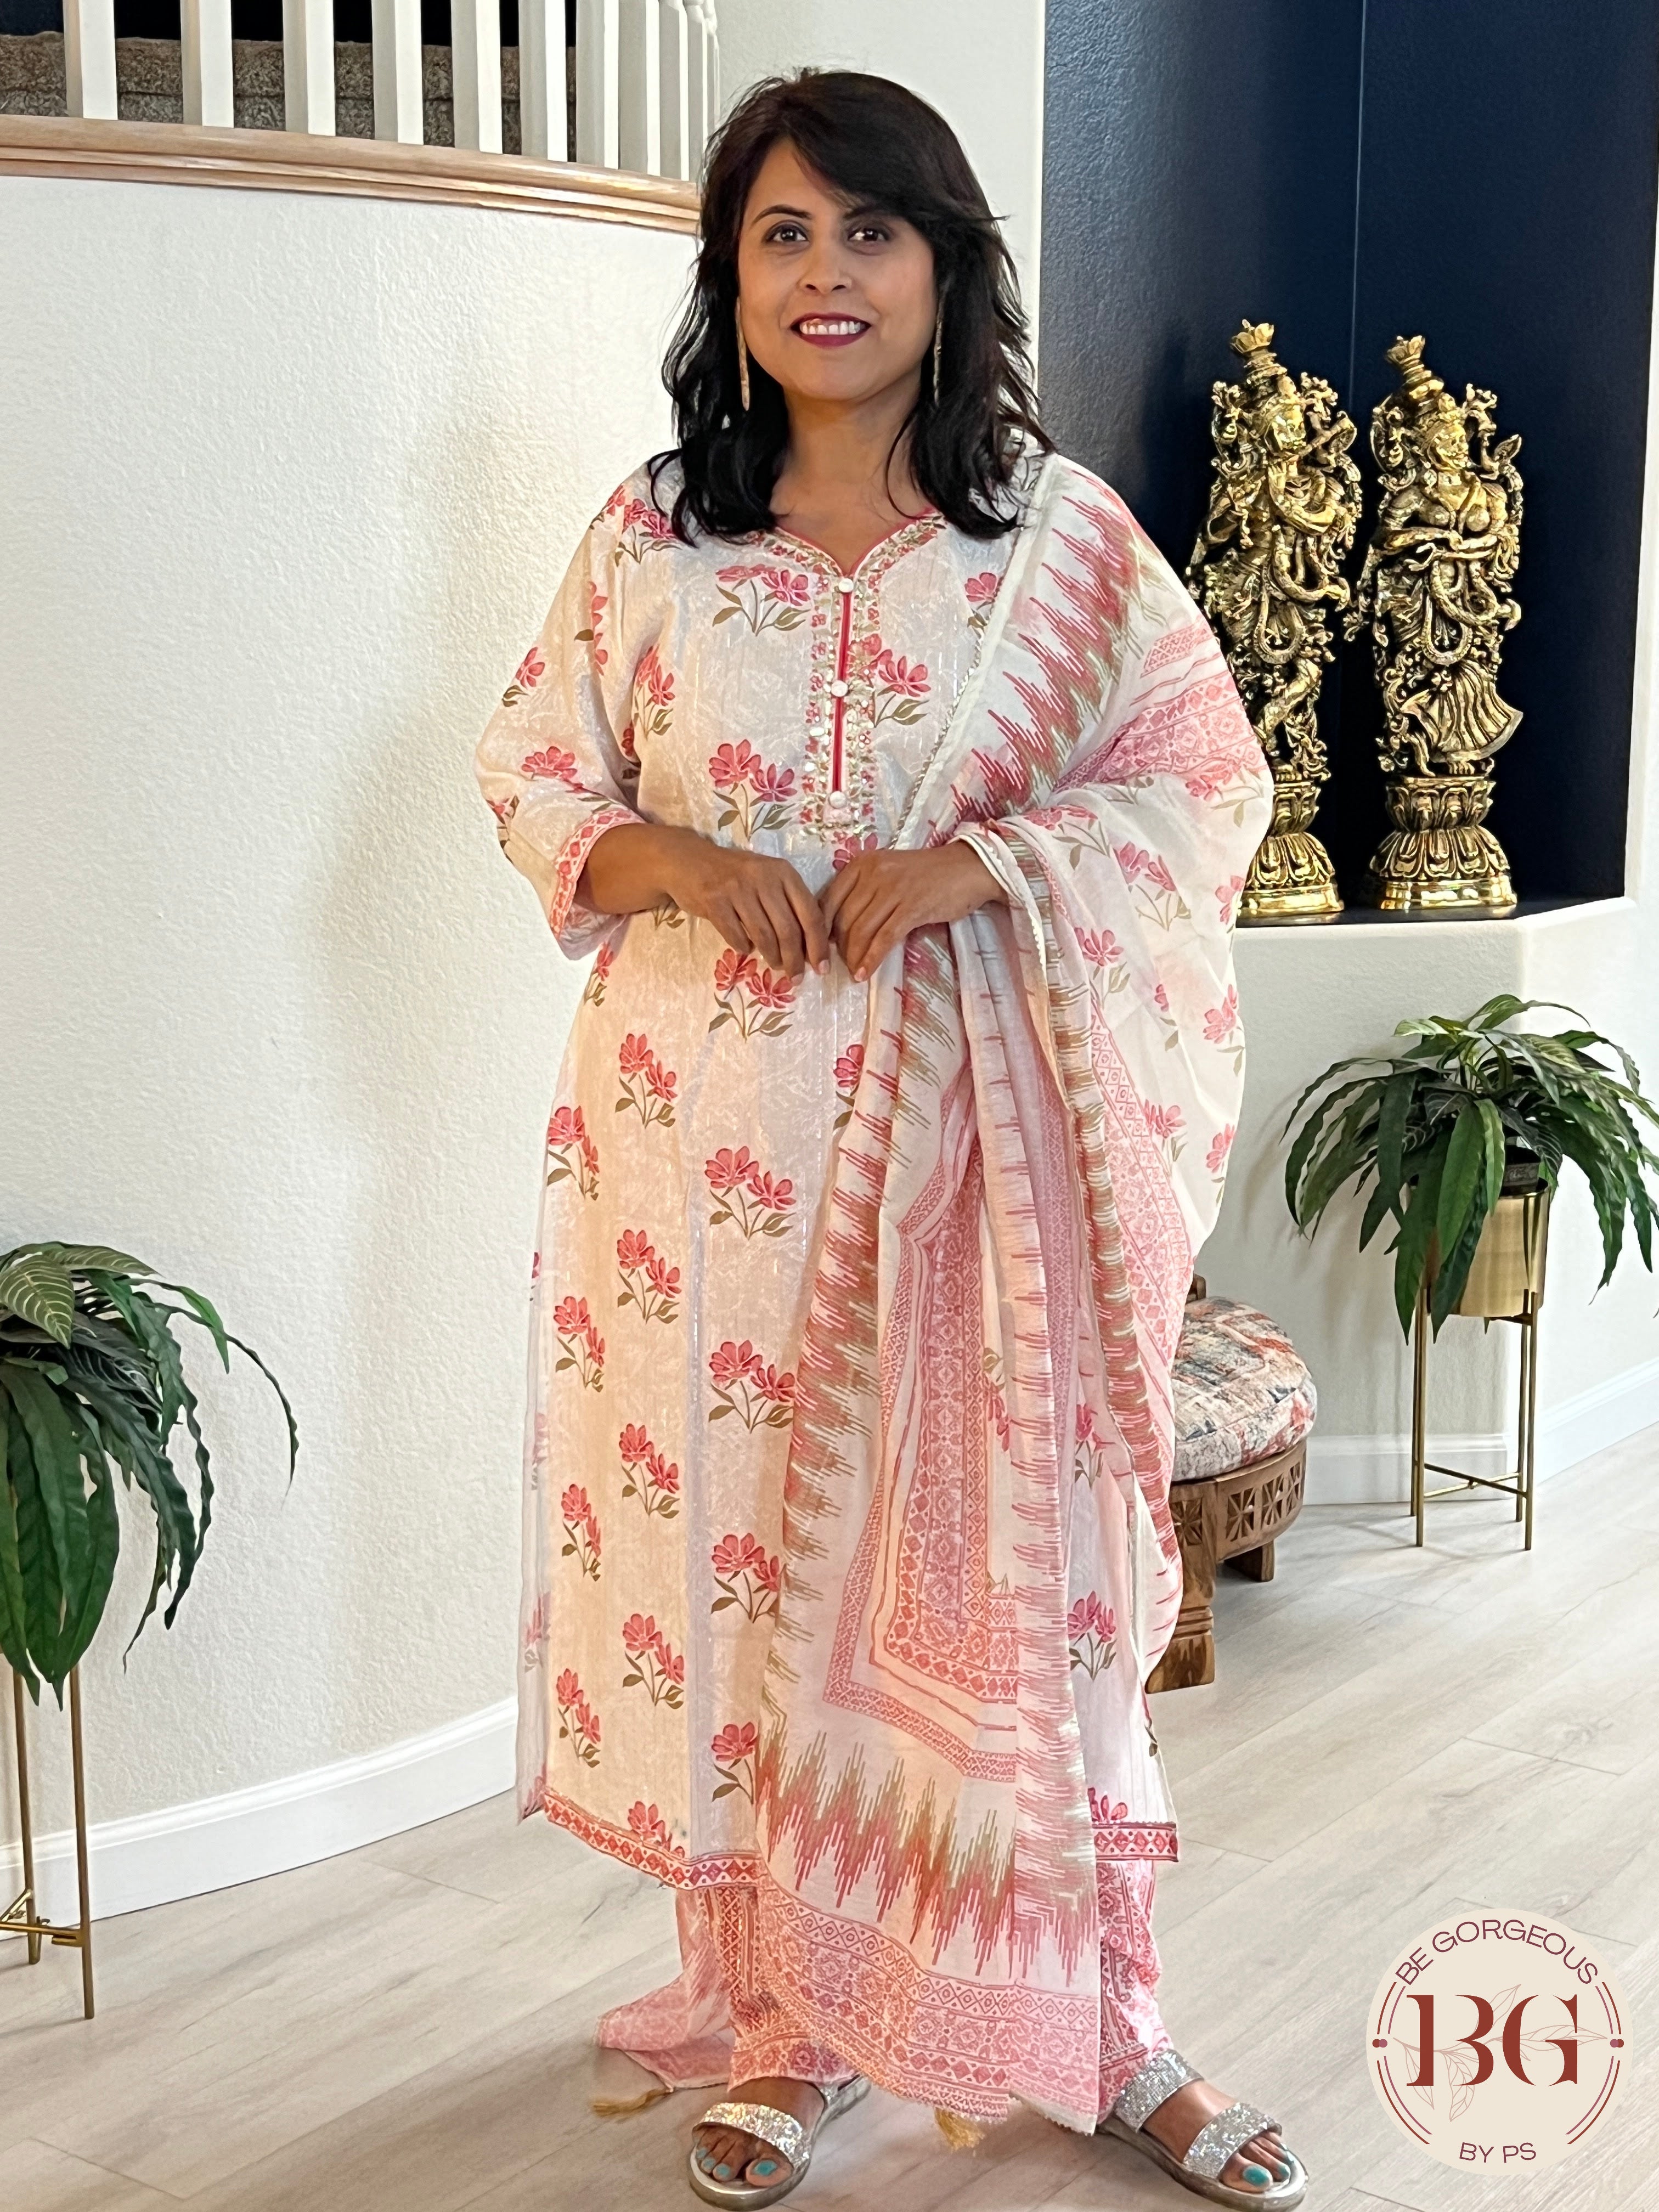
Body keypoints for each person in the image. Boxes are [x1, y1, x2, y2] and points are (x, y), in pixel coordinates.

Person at [475, 67, 1304, 2212]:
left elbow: (1205, 792)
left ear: (949, 267)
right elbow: (534, 776)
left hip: (983, 1197)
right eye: (781, 233)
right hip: (705, 1199)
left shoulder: (1055, 542)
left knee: (1034, 1613)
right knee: (747, 1604)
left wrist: (983, 866)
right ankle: (786, 2027)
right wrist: (660, 847)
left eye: (871, 232)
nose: (824, 275)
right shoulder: (657, 535)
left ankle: (1110, 2028)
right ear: (728, 276)